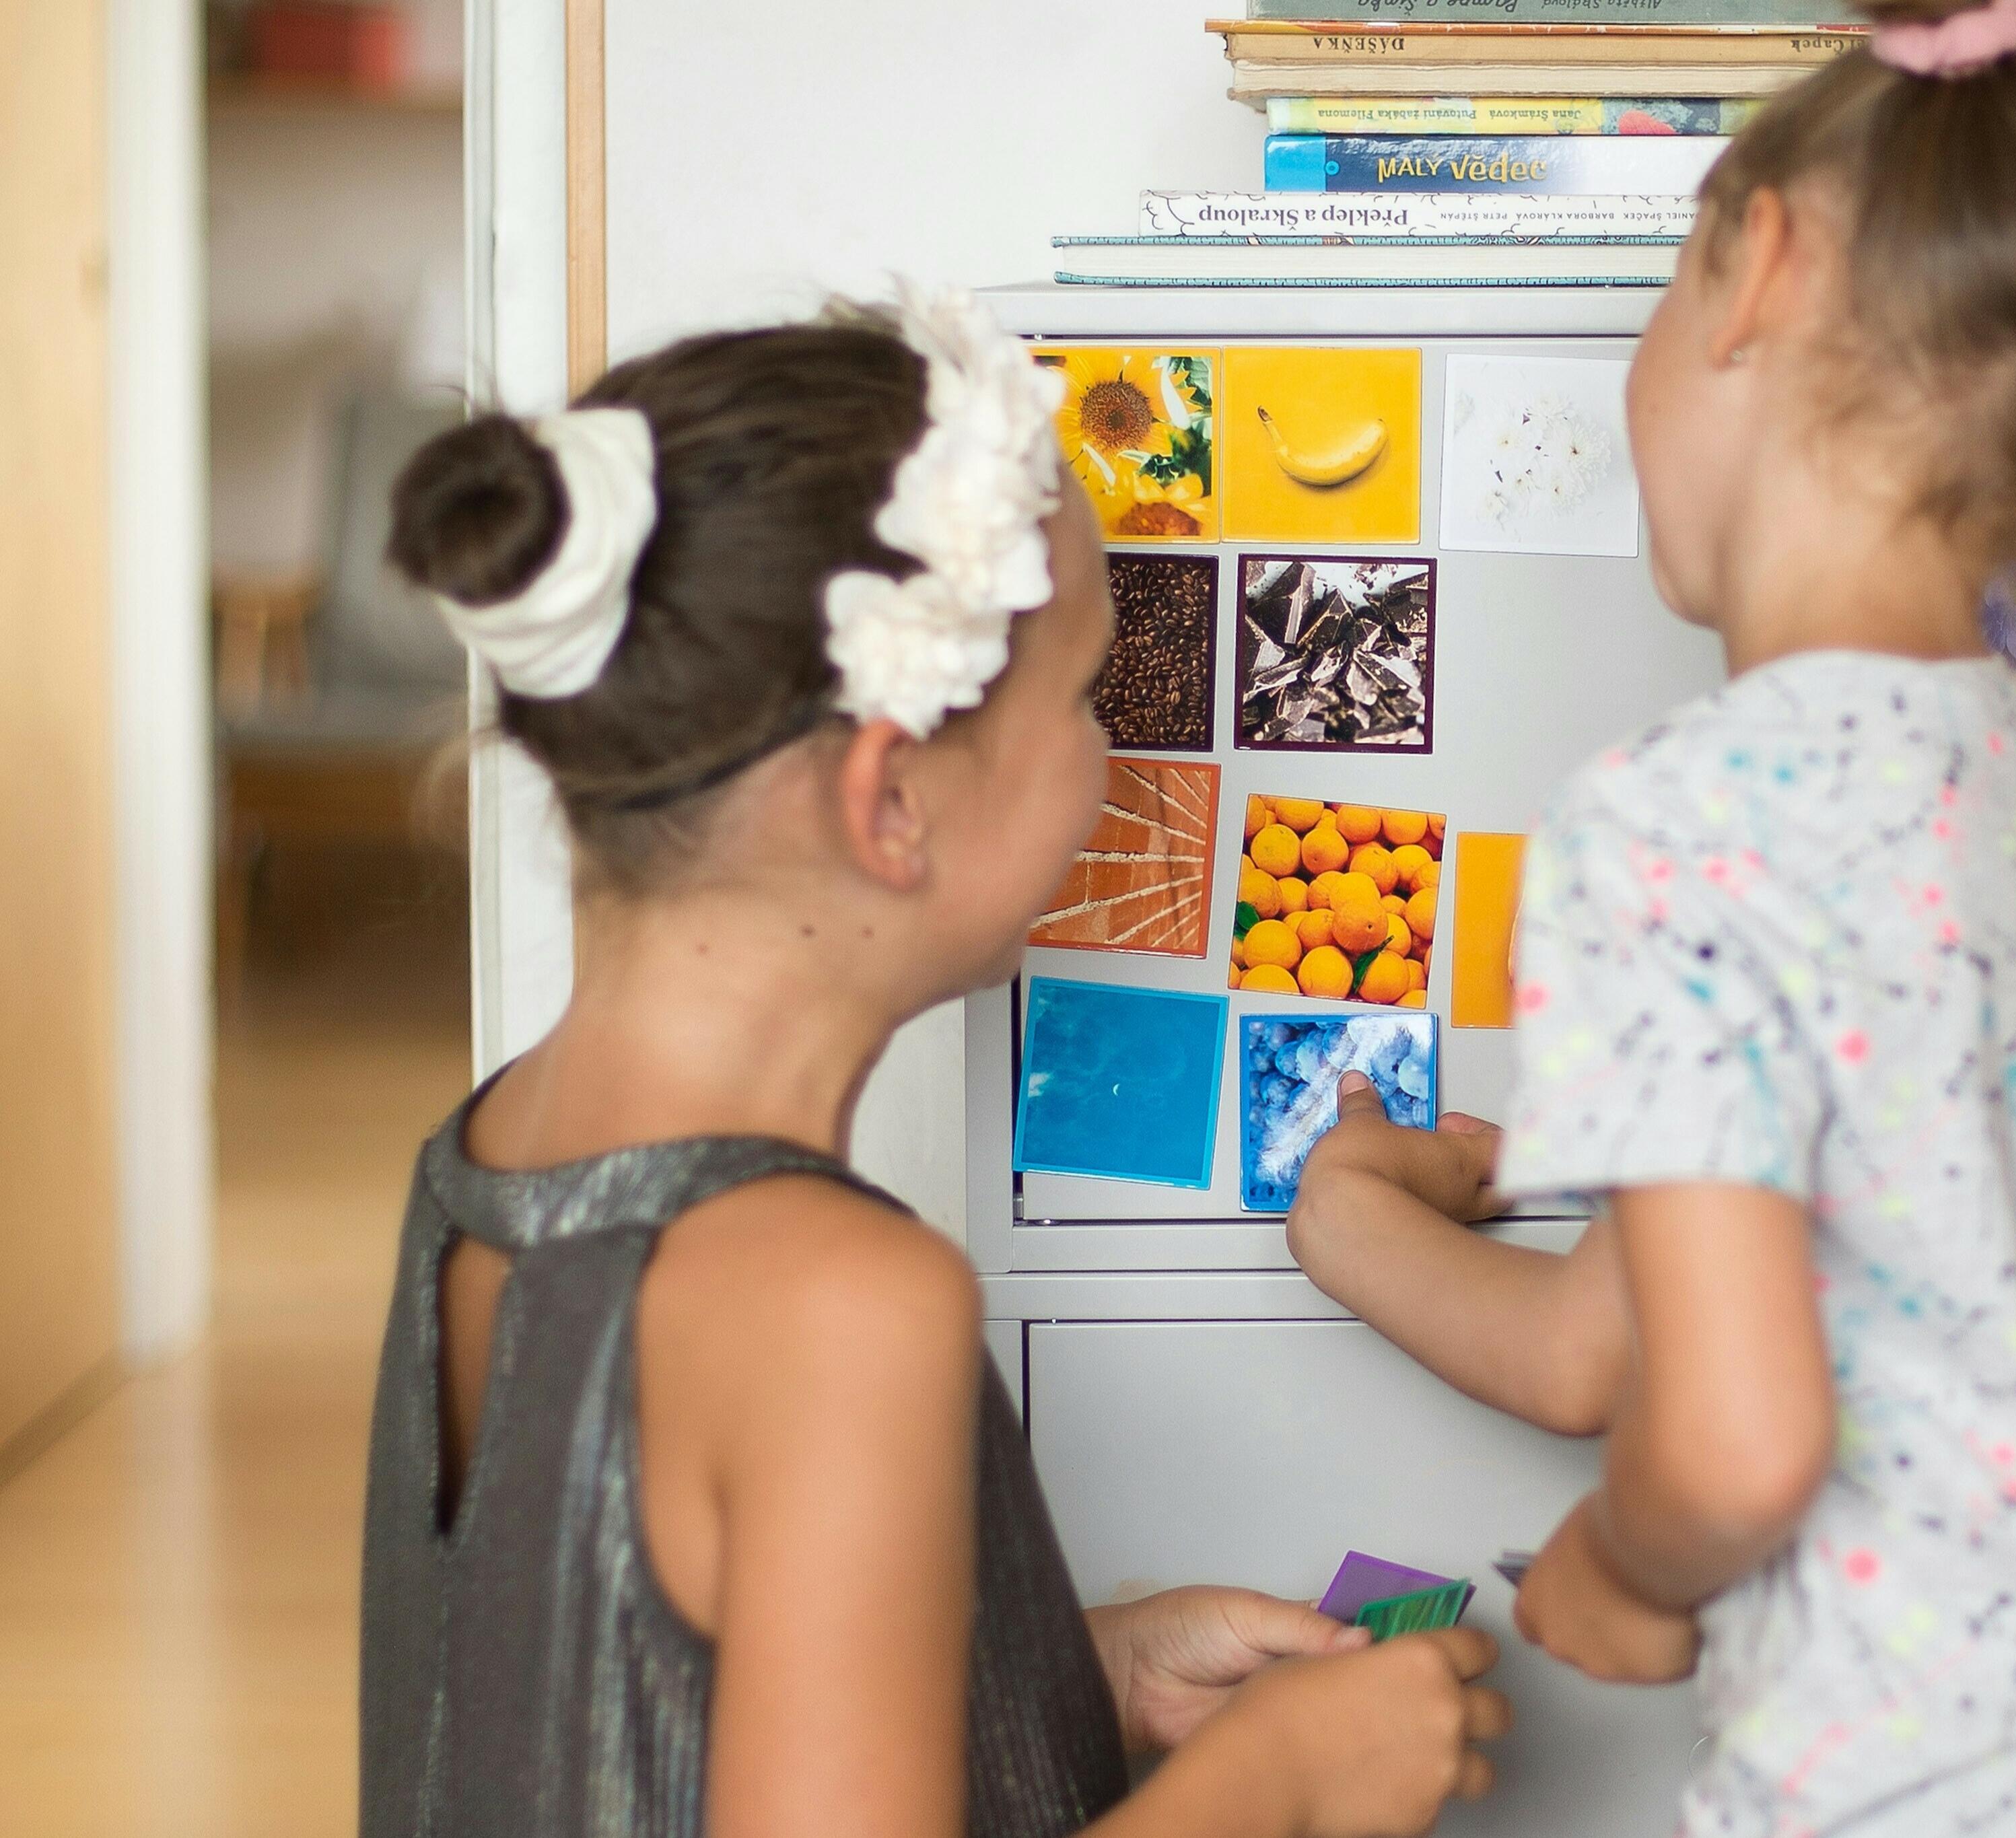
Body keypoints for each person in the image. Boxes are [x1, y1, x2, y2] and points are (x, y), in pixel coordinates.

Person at [1285, 2, 2016, 1833]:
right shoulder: (1989, 777)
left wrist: (1626, 1570)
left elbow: (1731, 1437)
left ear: (1757, 270)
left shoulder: (1666, 820)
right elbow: (1603, 1342)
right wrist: (1345, 1217)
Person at [360, 289, 1508, 1838]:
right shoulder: (842, 1304)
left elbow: (625, 1715)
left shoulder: (489, 1162)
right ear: (891, 797)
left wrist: (1077, 1678)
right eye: (1086, 694)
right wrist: (1280, 1781)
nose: (1115, 756)